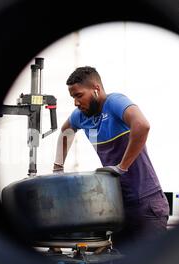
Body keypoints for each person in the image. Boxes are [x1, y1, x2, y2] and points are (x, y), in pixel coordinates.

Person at [53, 66, 169, 250]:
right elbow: (65, 132)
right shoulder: (82, 116)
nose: (75, 102)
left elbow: (142, 125)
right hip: (118, 206)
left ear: (96, 89)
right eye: (72, 97)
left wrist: (122, 167)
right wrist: (57, 168)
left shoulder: (115, 102)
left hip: (145, 204)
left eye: (79, 95)